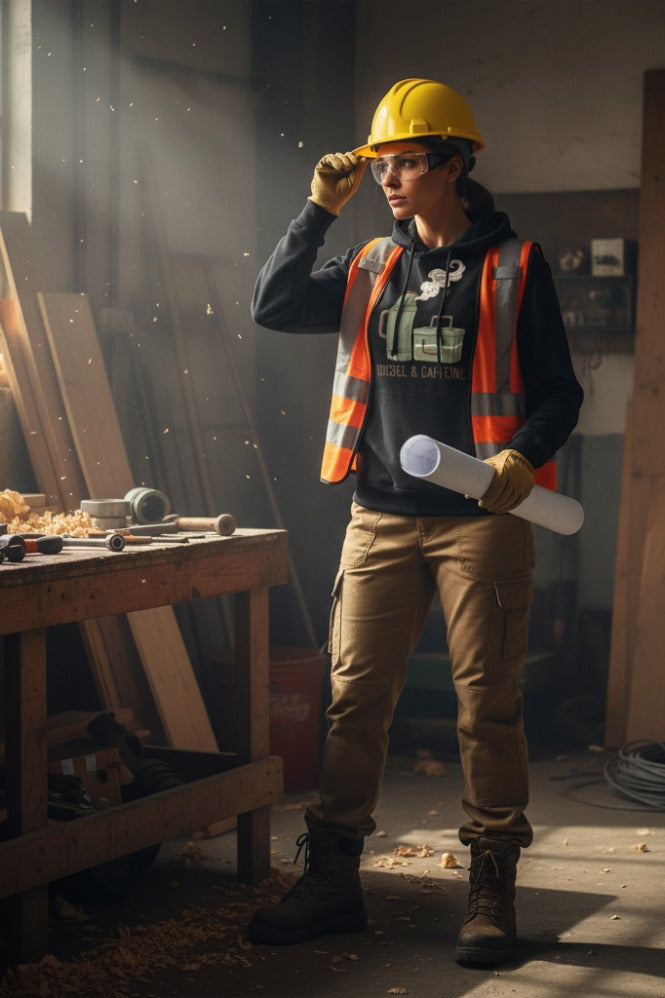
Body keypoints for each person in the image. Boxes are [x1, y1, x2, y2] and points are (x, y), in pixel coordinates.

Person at [248, 78, 583, 967]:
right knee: (354, 700)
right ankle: (330, 880)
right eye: (379, 166)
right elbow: (272, 305)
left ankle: (491, 886)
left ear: (451, 164)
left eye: (400, 164)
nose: (386, 179)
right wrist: (317, 210)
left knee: (487, 706)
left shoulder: (513, 265)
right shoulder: (367, 264)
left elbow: (558, 389)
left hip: (479, 520)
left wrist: (519, 456)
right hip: (380, 516)